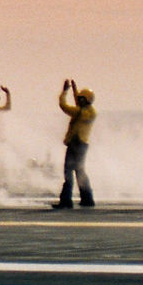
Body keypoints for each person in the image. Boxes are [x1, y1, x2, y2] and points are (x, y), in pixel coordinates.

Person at [53, 79, 96, 209]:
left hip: (78, 145)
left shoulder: (84, 112)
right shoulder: (88, 110)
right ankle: (87, 199)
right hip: (78, 144)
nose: (79, 100)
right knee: (79, 171)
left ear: (87, 100)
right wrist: (74, 90)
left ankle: (67, 201)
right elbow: (79, 103)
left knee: (70, 172)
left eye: (82, 99)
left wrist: (64, 92)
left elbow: (64, 106)